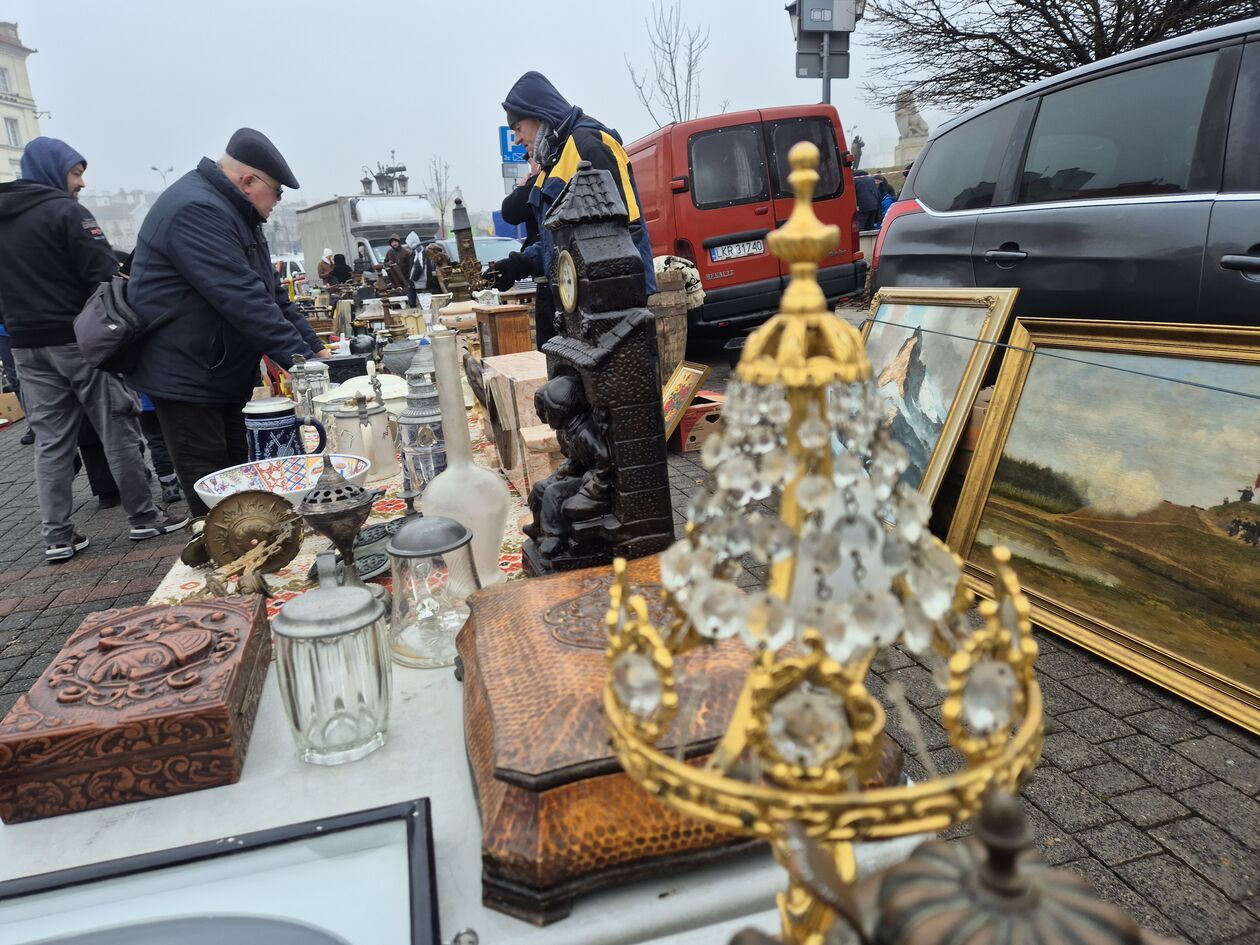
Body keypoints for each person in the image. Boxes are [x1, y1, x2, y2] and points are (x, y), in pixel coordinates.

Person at [0, 136, 187, 561]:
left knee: (51, 441)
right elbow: (102, 273)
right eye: (76, 172)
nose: (81, 182)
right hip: (78, 341)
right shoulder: (66, 212)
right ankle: (143, 518)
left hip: (26, 346)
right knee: (116, 426)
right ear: (52, 170)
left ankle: (57, 537)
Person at [126, 127, 327, 517]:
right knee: (217, 501)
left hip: (218, 374)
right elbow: (243, 300)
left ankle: (255, 563)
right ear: (248, 181)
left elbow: (271, 295)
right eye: (278, 191)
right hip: (188, 381)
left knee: (245, 485)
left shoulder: (237, 212)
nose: (279, 201)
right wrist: (307, 367)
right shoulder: (196, 210)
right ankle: (227, 573)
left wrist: (317, 352)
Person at [489, 71, 656, 324]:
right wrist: (519, 264)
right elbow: (557, 244)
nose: (517, 138)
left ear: (538, 116)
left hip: (609, 303)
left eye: (518, 128)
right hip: (578, 304)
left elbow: (627, 228)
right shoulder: (553, 162)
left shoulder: (589, 143)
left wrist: (618, 300)